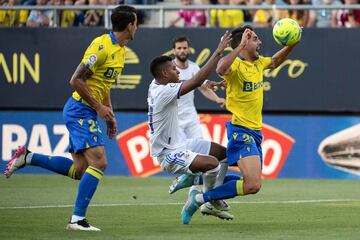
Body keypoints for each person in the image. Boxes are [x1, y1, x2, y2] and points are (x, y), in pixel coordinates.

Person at [4, 5, 138, 231]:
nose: (138, 28)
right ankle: (77, 220)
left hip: (88, 111)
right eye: (136, 23)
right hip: (80, 109)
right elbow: (76, 79)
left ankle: (29, 157)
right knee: (100, 162)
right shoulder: (101, 46)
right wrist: (98, 108)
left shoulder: (121, 50)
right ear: (129, 25)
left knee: (80, 170)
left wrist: (109, 114)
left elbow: (104, 85)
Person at [179, 25, 300, 224]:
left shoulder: (259, 63)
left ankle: (198, 183)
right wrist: (239, 46)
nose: (260, 42)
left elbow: (276, 60)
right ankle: (200, 198)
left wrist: (292, 44)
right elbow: (220, 68)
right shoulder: (235, 65)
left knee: (253, 184)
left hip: (255, 132)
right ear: (243, 45)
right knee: (252, 185)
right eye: (255, 39)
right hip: (240, 131)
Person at [147, 31, 231, 225]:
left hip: (181, 142)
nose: (178, 71)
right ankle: (207, 198)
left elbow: (196, 81)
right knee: (212, 164)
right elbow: (193, 81)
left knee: (223, 154)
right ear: (164, 74)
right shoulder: (163, 92)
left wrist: (211, 83)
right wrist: (218, 51)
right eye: (174, 70)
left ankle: (197, 184)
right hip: (168, 153)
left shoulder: (157, 82)